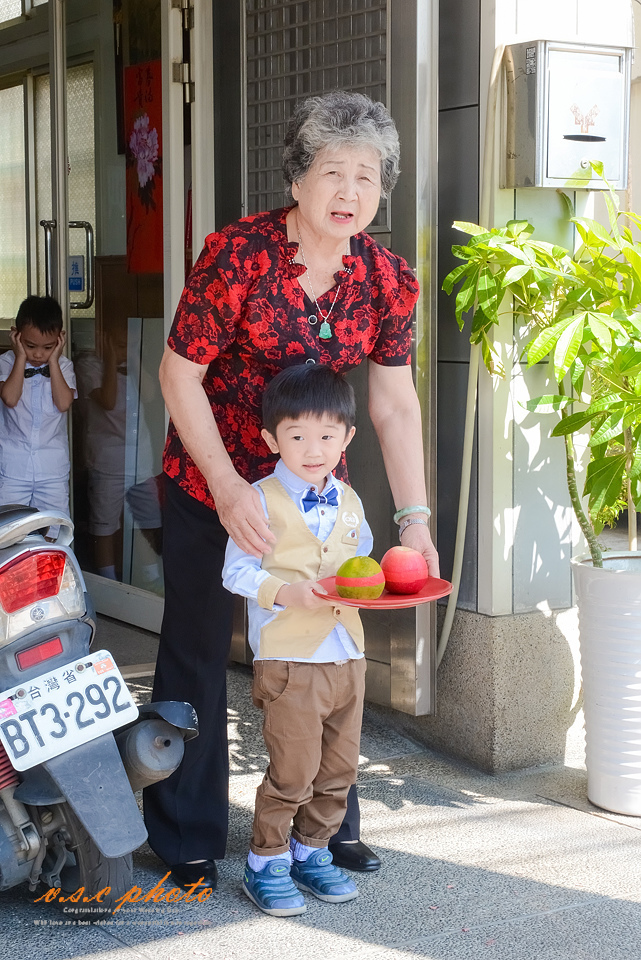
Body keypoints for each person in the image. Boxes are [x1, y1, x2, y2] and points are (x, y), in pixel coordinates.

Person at [144, 90, 440, 892]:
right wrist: (226, 486)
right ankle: (185, 835)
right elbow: (179, 374)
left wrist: (413, 518)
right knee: (199, 652)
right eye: (333, 172)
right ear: (297, 178)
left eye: (367, 176)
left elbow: (393, 402)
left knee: (325, 647)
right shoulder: (237, 255)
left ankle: (323, 830)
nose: (350, 191)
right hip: (212, 481)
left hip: (313, 498)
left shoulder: (386, 279)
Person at [222, 365, 371, 916]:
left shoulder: (350, 500)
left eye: (327, 436)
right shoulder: (258, 499)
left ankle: (312, 852)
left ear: (346, 439)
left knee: (340, 768)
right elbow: (236, 572)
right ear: (271, 439)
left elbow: (360, 560)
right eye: (298, 435)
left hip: (347, 652)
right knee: (293, 770)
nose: (314, 449)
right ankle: (266, 861)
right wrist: (287, 593)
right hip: (290, 658)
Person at [0, 295, 76, 519]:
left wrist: (53, 362)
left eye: (48, 347)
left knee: (53, 528)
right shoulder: (6, 363)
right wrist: (20, 358)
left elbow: (64, 403)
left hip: (52, 470)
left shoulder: (64, 366)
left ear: (60, 340)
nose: (38, 354)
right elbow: (10, 398)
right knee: (10, 529)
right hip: (13, 469)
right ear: (16, 336)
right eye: (30, 346)